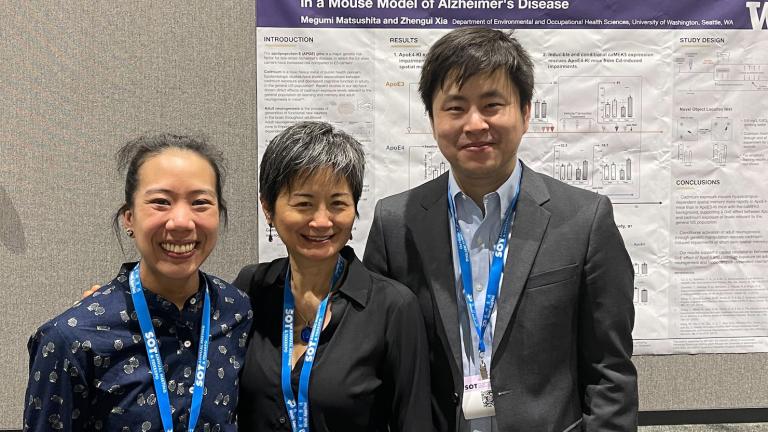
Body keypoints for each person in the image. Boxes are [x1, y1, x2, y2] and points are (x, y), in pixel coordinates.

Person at [363, 27, 638, 431]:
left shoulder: (584, 218)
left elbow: (609, 371)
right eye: (455, 108)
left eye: (492, 105)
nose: (474, 124)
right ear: (433, 119)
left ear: (526, 112)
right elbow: (379, 364)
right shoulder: (395, 222)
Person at [23, 134, 252, 431]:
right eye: (161, 202)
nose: (182, 221)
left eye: (200, 202)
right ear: (128, 218)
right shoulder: (71, 339)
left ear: (219, 215)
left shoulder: (237, 311)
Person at [233, 121, 431, 431]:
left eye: (338, 203)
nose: (322, 221)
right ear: (267, 208)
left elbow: (413, 423)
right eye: (304, 204)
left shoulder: (392, 307)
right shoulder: (251, 289)